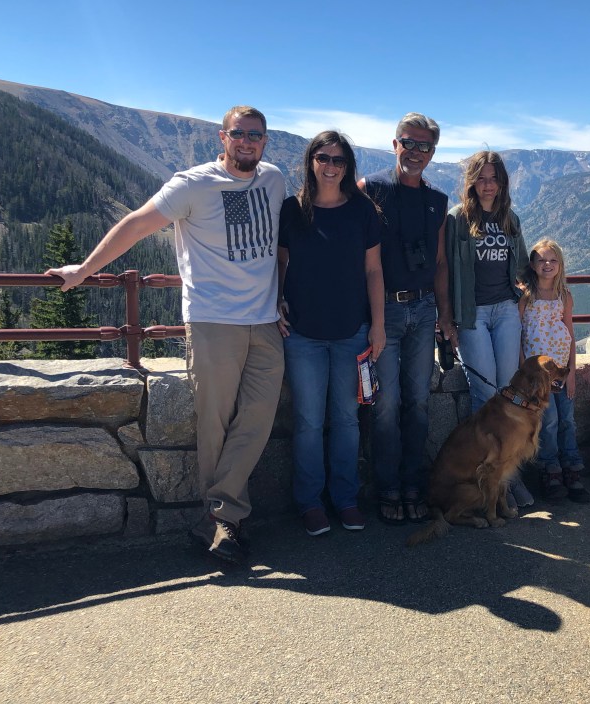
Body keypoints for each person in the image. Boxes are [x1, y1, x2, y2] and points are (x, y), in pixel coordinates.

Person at [46, 106, 286, 563]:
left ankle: (220, 513)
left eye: (255, 135)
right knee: (214, 423)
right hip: (213, 321)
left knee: (257, 419)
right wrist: (84, 270)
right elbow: (136, 224)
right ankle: (222, 519)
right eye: (239, 134)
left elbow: (281, 247)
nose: (247, 142)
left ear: (265, 141)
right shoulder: (192, 184)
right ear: (223, 137)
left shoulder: (273, 179)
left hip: (265, 321)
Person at [277, 131, 384, 537]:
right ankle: (309, 503)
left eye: (339, 160)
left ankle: (345, 499)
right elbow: (281, 262)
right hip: (302, 333)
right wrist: (276, 299)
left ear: (348, 166)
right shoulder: (293, 210)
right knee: (307, 420)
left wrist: (377, 325)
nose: (331, 166)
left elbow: (373, 270)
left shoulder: (362, 211)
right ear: (311, 161)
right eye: (323, 158)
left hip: (351, 331)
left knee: (346, 419)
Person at [358, 113, 456, 525]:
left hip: (424, 309)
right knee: (386, 404)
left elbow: (440, 263)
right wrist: (374, 321)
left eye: (424, 146)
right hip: (384, 312)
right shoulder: (370, 189)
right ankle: (388, 488)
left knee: (417, 402)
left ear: (432, 152)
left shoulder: (438, 200)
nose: (415, 152)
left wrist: (445, 317)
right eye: (409, 143)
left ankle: (413, 485)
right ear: (395, 144)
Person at [446, 150, 533, 508]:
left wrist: (532, 294)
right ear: (471, 183)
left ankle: (509, 477)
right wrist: (446, 318)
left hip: (506, 310)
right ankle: (491, 483)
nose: (487, 185)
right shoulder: (458, 219)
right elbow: (446, 269)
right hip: (473, 314)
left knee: (510, 393)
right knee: (485, 395)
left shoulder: (509, 218)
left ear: (502, 183)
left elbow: (524, 265)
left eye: (493, 178)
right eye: (481, 178)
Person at [519, 239, 589, 503]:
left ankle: (571, 466)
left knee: (567, 420)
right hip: (538, 375)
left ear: (560, 264)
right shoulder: (525, 296)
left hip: (561, 370)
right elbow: (517, 334)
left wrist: (571, 373)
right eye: (541, 260)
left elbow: (569, 333)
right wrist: (525, 371)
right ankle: (550, 470)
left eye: (552, 260)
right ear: (532, 264)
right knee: (548, 422)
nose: (547, 264)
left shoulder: (564, 296)